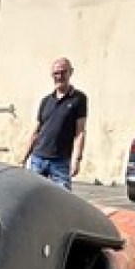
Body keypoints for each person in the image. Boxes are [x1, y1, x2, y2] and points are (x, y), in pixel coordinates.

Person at [21, 57, 87, 190]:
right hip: (38, 159)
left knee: (62, 202)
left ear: (70, 72)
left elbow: (80, 132)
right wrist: (23, 158)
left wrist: (77, 160)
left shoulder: (79, 99)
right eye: (56, 73)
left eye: (63, 72)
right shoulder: (46, 101)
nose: (59, 76)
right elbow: (36, 131)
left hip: (60, 162)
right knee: (34, 198)